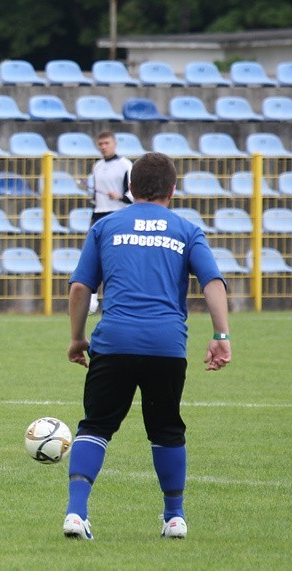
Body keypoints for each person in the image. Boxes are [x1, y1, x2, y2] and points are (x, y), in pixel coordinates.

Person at [63, 152, 231, 540]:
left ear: (129, 188)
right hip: (166, 346)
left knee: (96, 426)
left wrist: (76, 338)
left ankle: (76, 513)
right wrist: (221, 336)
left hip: (114, 342)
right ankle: (175, 517)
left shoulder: (105, 226)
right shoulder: (188, 230)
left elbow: (79, 288)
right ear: (173, 189)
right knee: (166, 429)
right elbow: (213, 283)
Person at [86, 130, 133, 313]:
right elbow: (95, 198)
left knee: (118, 258)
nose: (103, 147)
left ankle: (119, 299)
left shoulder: (125, 165)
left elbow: (132, 194)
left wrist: (121, 196)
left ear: (114, 143)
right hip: (99, 214)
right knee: (94, 257)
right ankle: (92, 300)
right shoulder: (97, 167)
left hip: (118, 214)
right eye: (101, 144)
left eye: (107, 143)